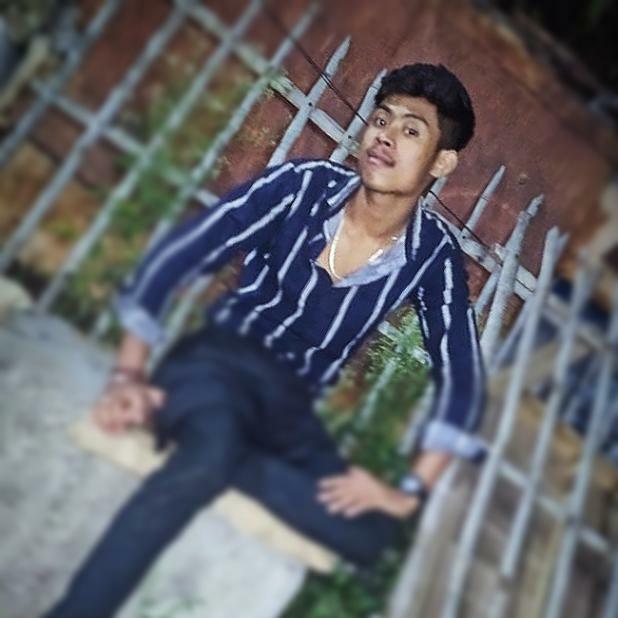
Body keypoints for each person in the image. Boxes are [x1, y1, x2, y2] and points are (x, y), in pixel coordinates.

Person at [43, 62, 487, 618]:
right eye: (381, 119)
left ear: (442, 162)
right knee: (207, 457)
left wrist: (409, 491)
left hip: (291, 410)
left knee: (372, 530)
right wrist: (129, 373)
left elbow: (462, 377)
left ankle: (224, 449)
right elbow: (188, 250)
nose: (384, 136)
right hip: (218, 366)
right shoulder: (301, 186)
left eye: (411, 130)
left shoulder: (433, 255)